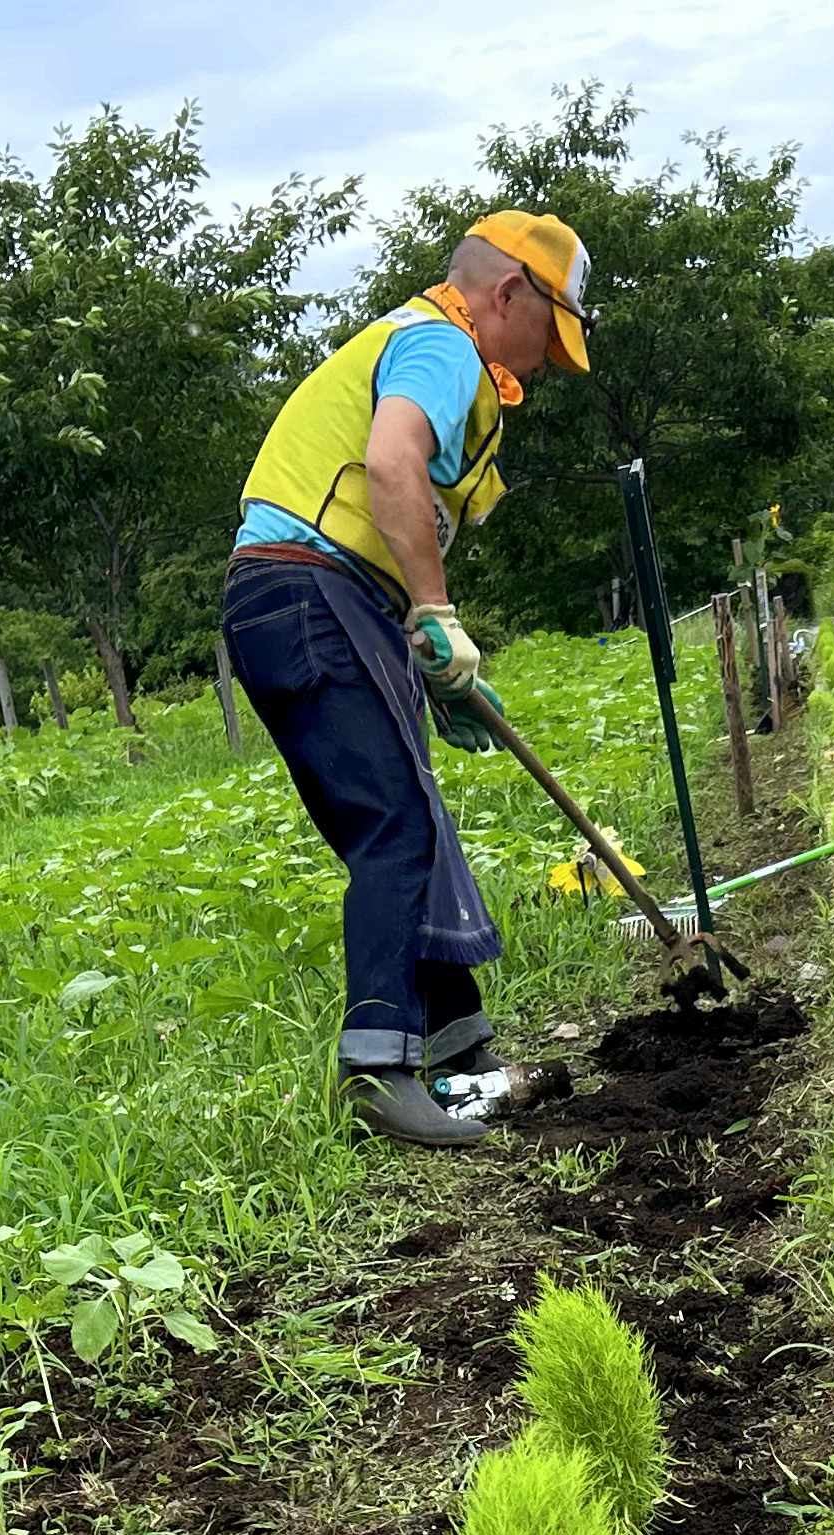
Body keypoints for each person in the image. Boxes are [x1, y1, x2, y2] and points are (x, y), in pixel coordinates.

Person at [226, 212, 592, 1149]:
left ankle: (463, 1057)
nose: (547, 363)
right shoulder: (442, 346)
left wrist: (432, 671)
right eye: (548, 335)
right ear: (506, 293)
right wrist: (435, 611)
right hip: (310, 594)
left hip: (307, 598)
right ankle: (378, 1073)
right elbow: (391, 464)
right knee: (392, 825)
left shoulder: (430, 345)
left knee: (411, 814)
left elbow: (379, 515)